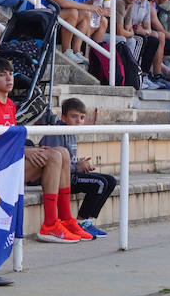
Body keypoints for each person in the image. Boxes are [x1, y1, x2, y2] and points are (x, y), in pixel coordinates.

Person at [0, 57, 91, 243]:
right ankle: (50, 224)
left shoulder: (10, 105)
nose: (9, 78)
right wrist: (24, 152)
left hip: (9, 165)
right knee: (53, 156)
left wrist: (28, 149)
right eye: (2, 75)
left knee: (62, 153)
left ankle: (65, 219)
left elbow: (12, 141)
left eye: (10, 74)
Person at [39, 97, 114, 237]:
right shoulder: (55, 133)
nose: (78, 121)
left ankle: (87, 221)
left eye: (82, 117)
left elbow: (69, 161)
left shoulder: (72, 132)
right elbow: (54, 165)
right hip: (61, 180)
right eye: (74, 116)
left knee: (110, 180)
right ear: (63, 117)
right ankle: (80, 222)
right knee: (99, 183)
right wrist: (77, 167)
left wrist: (81, 164)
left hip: (71, 173)